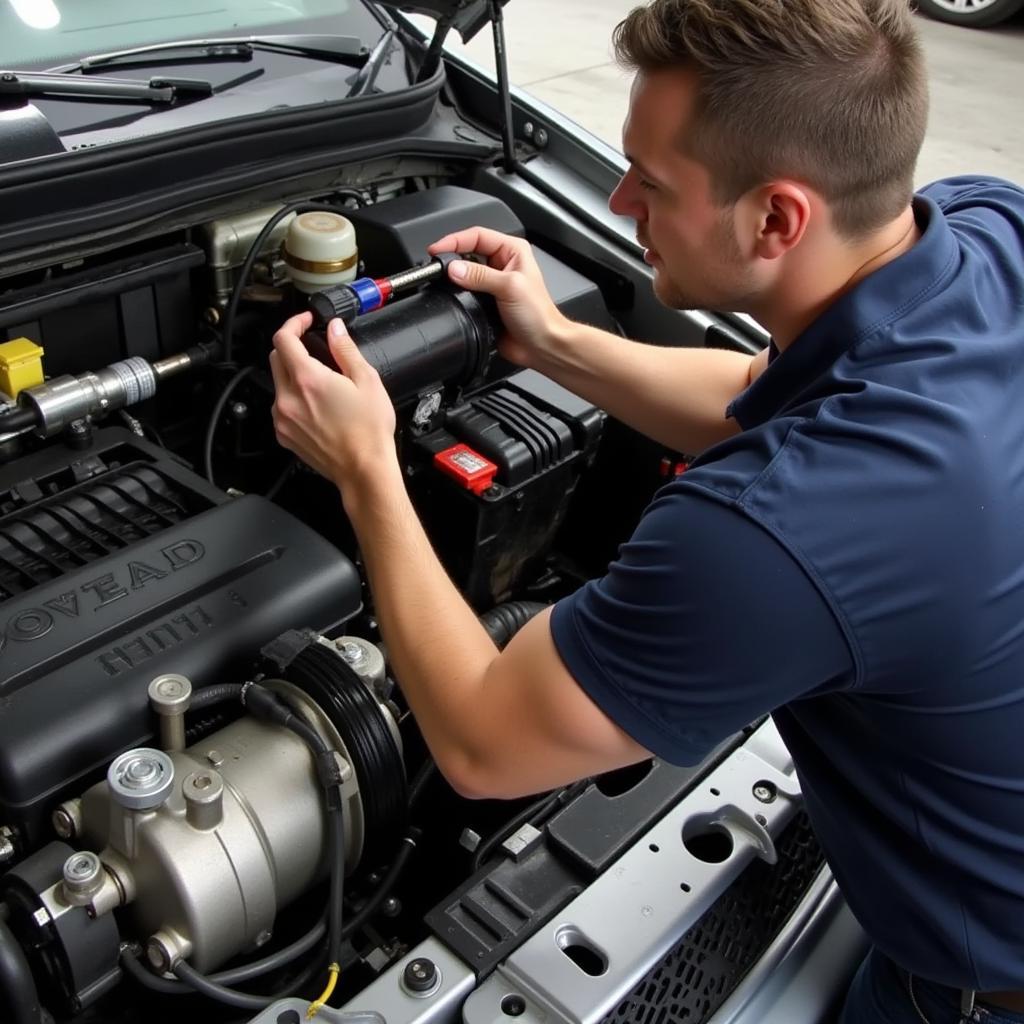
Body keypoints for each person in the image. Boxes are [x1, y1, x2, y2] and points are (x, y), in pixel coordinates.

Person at [269, 0, 1024, 1021]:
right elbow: (772, 389)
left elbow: (486, 745)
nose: (619, 201)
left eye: (652, 184)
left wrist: (365, 468)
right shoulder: (987, 232)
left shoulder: (771, 533)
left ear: (777, 219)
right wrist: (551, 343)